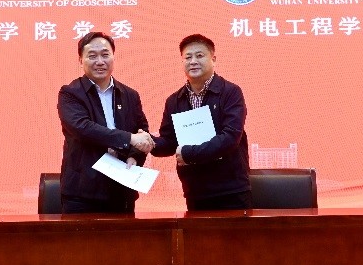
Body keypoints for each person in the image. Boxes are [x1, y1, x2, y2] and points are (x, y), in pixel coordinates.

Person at [57, 31, 155, 214]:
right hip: (82, 193)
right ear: (81, 60)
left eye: (105, 54)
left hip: (121, 190)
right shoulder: (70, 93)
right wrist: (129, 138)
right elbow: (83, 128)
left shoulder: (130, 95)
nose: (100, 61)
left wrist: (134, 156)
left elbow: (142, 130)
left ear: (113, 57)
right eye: (92, 56)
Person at [151, 34, 251, 211]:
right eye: (188, 57)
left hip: (231, 189)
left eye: (199, 55)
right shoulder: (174, 100)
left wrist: (189, 153)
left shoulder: (231, 92)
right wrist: (148, 142)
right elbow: (169, 142)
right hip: (195, 190)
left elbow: (230, 138)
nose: (193, 61)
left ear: (213, 59)